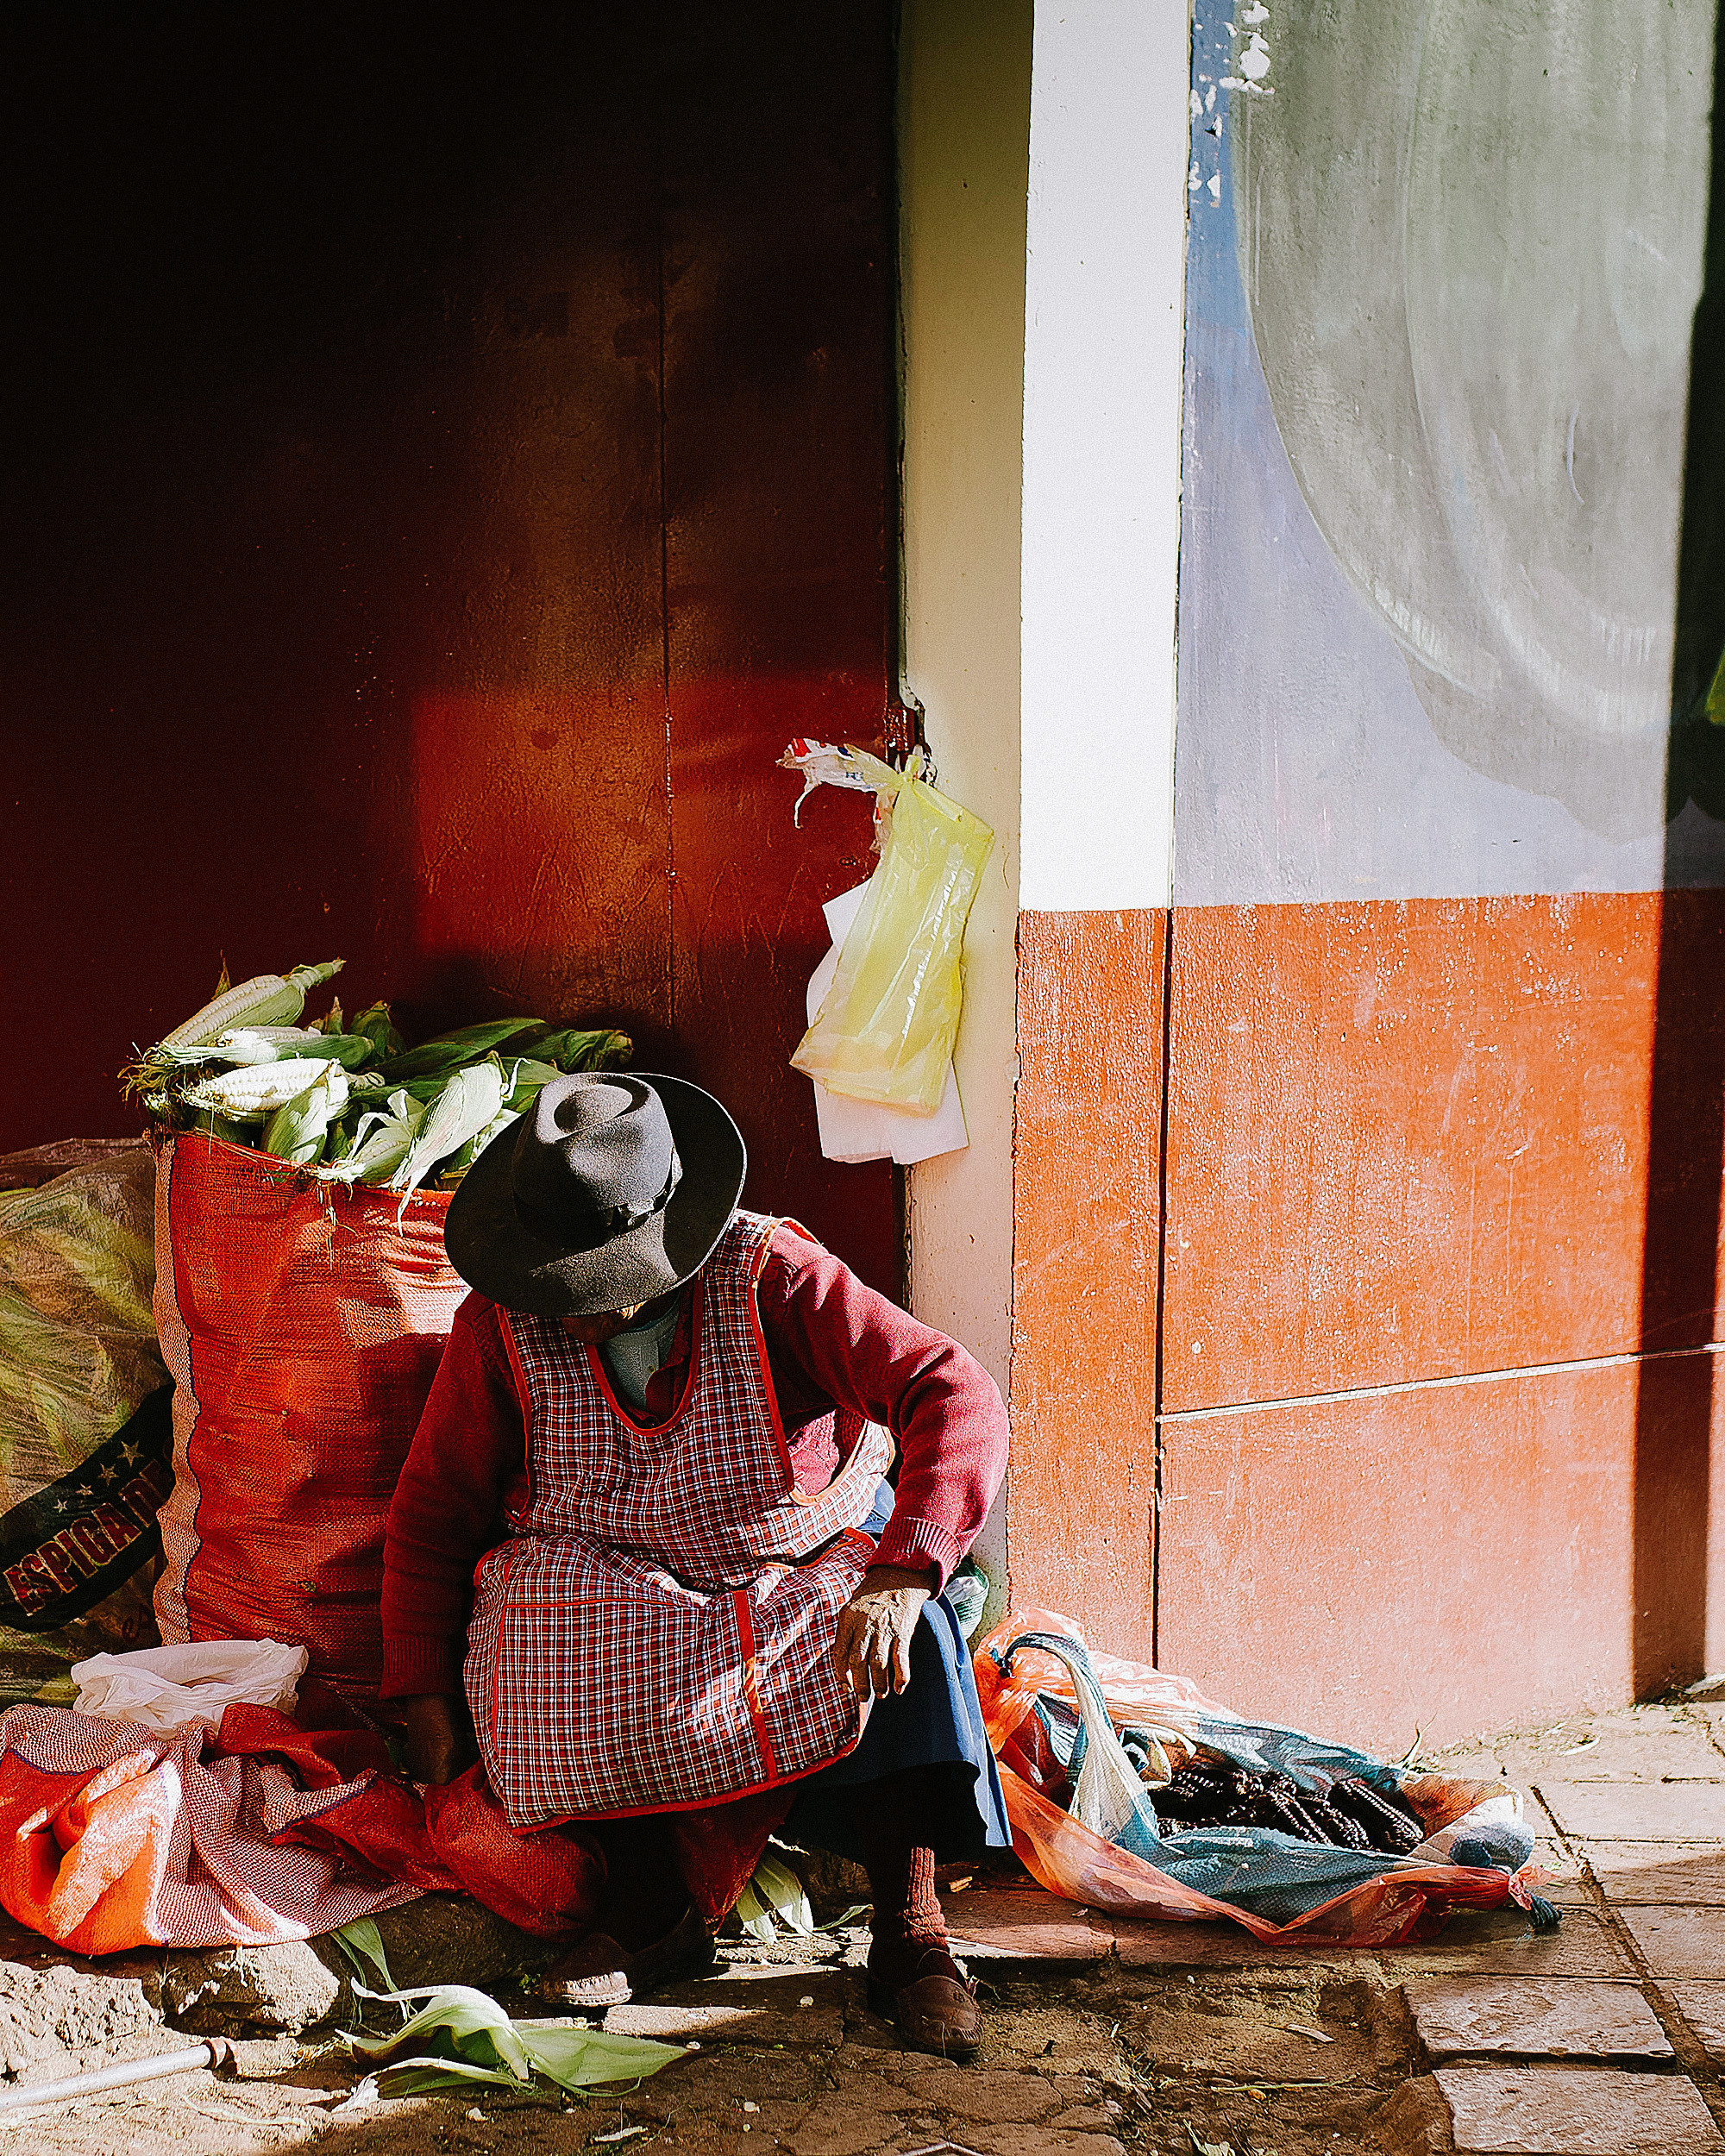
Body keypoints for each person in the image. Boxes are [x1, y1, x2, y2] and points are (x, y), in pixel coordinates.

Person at [380, 1070, 1011, 2055]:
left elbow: (953, 1389)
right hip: (617, 1574)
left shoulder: (774, 1276)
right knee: (533, 1610)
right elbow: (435, 1507)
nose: (569, 1310)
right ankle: (652, 1904)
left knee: (909, 1633)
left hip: (794, 1556)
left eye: (592, 1281)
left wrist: (903, 1568)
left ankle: (910, 1929)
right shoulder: (502, 1323)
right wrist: (420, 1689)